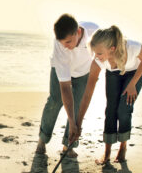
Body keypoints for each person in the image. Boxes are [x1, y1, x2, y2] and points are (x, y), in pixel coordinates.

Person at [75, 25, 142, 164]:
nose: (96, 57)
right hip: (113, 74)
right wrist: (78, 123)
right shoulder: (97, 62)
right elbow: (87, 94)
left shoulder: (133, 47)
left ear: (112, 49)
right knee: (110, 110)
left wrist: (133, 84)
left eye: (99, 53)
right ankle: (107, 151)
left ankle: (123, 146)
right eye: (94, 53)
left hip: (134, 73)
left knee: (123, 109)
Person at [35, 14, 98, 165]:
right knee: (55, 101)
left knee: (77, 106)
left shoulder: (94, 33)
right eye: (62, 43)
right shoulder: (60, 45)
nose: (65, 46)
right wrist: (70, 120)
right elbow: (65, 87)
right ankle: (42, 140)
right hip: (62, 69)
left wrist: (74, 122)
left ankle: (67, 146)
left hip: (84, 72)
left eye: (68, 42)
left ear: (78, 32)